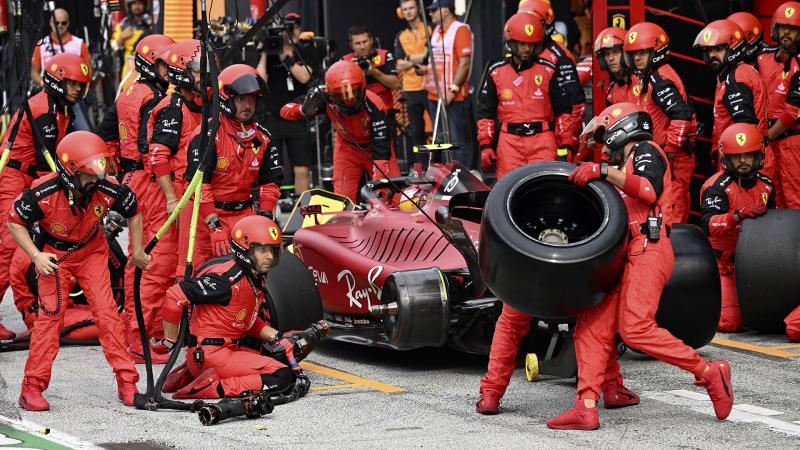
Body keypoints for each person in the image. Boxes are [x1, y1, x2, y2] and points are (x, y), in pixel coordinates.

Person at [546, 103, 734, 430]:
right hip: (631, 252)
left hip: (650, 246)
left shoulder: (647, 150)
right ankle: (586, 406)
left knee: (635, 329)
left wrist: (603, 171)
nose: (604, 147)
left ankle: (708, 371)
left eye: (605, 137)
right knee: (591, 324)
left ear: (623, 128)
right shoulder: (628, 163)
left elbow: (649, 190)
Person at [8, 131, 150, 411]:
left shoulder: (109, 188)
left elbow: (134, 211)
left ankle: (127, 382)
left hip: (92, 251)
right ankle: (31, 387)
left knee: (108, 313)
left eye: (99, 169)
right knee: (50, 318)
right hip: (54, 256)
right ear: (69, 171)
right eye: (89, 173)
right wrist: (35, 256)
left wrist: (137, 252)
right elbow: (15, 221)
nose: (96, 178)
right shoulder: (42, 193)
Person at [156, 215, 315, 401]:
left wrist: (279, 338)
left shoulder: (253, 276)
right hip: (211, 355)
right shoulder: (227, 279)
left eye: (272, 250)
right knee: (282, 377)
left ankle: (193, 375)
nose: (269, 257)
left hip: (223, 351)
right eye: (262, 250)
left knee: (280, 357)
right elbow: (176, 294)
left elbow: (246, 319)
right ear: (245, 248)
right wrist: (169, 341)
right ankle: (210, 387)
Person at [95, 33, 175, 363]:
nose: (169, 69)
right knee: (154, 259)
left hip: (131, 178)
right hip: (149, 180)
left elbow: (104, 134)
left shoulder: (128, 90)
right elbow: (149, 147)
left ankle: (138, 330)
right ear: (149, 62)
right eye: (162, 63)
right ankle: (143, 335)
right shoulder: (154, 98)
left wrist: (116, 170)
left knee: (138, 256)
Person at [0, 53, 90, 341]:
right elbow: (48, 160)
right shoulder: (44, 109)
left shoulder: (60, 107)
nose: (78, 89)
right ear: (57, 80)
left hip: (29, 175)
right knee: (8, 244)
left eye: (81, 84)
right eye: (73, 83)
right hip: (17, 174)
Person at [183, 64, 283, 267]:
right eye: (242, 99)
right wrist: (214, 226)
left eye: (252, 99)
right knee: (201, 275)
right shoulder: (208, 136)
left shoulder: (263, 138)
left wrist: (264, 219)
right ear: (227, 99)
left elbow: (270, 184)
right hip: (207, 217)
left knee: (251, 276)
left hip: (244, 216)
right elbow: (199, 185)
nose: (248, 105)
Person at [280, 60, 401, 202]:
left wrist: (378, 183)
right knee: (343, 200)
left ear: (362, 86)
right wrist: (302, 110)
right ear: (331, 93)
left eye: (353, 92)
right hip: (347, 149)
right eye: (340, 95)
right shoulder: (323, 98)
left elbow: (382, 148)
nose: (348, 99)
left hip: (376, 150)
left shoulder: (375, 104)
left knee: (393, 197)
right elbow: (284, 111)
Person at [476, 12, 575, 180]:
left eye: (531, 44)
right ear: (511, 42)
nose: (527, 49)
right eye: (522, 44)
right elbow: (485, 112)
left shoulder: (549, 69)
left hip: (543, 142)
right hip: (509, 145)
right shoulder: (496, 71)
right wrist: (485, 145)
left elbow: (563, 110)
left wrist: (566, 143)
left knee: (545, 189)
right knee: (508, 192)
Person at [700, 123, 775, 333]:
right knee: (730, 323)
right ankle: (705, 298)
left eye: (748, 155)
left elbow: (774, 223)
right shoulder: (716, 187)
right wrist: (737, 216)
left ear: (758, 156)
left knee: (770, 316)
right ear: (726, 158)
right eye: (736, 156)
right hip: (723, 265)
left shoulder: (767, 185)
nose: (742, 161)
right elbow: (708, 224)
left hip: (755, 264)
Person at [624, 22, 697, 225]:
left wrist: (670, 151)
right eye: (634, 53)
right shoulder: (654, 76)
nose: (637, 57)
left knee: (674, 205)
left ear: (656, 51)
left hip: (674, 156)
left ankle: (677, 251)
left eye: (643, 52)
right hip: (666, 153)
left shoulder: (660, 78)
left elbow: (681, 115)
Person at [146, 39, 203, 280]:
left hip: (203, 191)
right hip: (178, 194)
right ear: (183, 72)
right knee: (169, 265)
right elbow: (158, 156)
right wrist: (172, 200)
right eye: (200, 70)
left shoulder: (206, 102)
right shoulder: (171, 108)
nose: (206, 75)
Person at [694, 19, 774, 179]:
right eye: (709, 51)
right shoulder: (738, 73)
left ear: (733, 49)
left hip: (743, 161)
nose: (712, 55)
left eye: (718, 49)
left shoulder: (736, 79)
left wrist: (737, 163)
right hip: (748, 157)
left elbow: (744, 127)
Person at [519, 0, 586, 160]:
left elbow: (575, 104)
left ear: (545, 23)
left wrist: (566, 142)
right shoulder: (518, 54)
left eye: (531, 22)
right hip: (518, 141)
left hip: (550, 139)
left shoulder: (559, 56)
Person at [256, 12, 314, 196]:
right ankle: (270, 215)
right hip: (273, 118)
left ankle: (303, 214)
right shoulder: (271, 52)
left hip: (297, 116)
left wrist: (285, 57)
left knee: (302, 169)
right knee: (273, 171)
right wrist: (266, 51)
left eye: (294, 27)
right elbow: (260, 81)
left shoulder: (303, 50)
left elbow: (305, 77)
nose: (291, 32)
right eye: (287, 29)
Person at [418, 0, 473, 167]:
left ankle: (463, 176)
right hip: (435, 95)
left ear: (447, 11)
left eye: (435, 10)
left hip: (454, 96)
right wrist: (423, 70)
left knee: (459, 140)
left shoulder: (460, 29)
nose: (430, 13)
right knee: (440, 140)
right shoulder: (435, 31)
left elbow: (465, 63)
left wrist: (452, 89)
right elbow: (434, 61)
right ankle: (442, 177)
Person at [760, 2, 800, 208]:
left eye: (793, 29)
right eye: (783, 27)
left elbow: (792, 113)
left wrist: (762, 138)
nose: (787, 33)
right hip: (767, 142)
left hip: (792, 143)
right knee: (768, 200)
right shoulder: (762, 57)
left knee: (795, 201)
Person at [394, 0, 431, 162]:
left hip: (430, 86)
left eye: (411, 8)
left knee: (440, 130)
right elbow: (399, 64)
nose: (408, 12)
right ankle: (422, 168)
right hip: (410, 89)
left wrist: (409, 59)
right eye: (405, 9)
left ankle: (442, 165)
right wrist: (418, 59)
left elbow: (429, 57)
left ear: (418, 9)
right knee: (416, 132)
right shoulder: (401, 36)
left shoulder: (430, 30)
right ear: (401, 12)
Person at [343, 24, 401, 111]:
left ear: (371, 40)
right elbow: (343, 94)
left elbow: (396, 84)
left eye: (365, 42)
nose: (362, 47)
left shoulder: (384, 55)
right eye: (358, 43)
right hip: (359, 113)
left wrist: (374, 72)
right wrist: (352, 72)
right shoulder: (345, 61)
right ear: (351, 45)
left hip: (384, 110)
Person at [30, 8, 90, 88]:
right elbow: (34, 72)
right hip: (49, 90)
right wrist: (43, 82)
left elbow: (88, 70)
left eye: (63, 23)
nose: (60, 26)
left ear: (68, 23)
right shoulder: (42, 44)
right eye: (56, 22)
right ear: (51, 23)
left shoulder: (79, 44)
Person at [112, 0, 153, 87]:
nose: (137, 6)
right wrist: (122, 37)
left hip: (148, 65)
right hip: (129, 67)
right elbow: (114, 47)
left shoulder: (151, 24)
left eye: (140, 3)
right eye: (134, 3)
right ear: (129, 5)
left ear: (145, 5)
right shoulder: (123, 25)